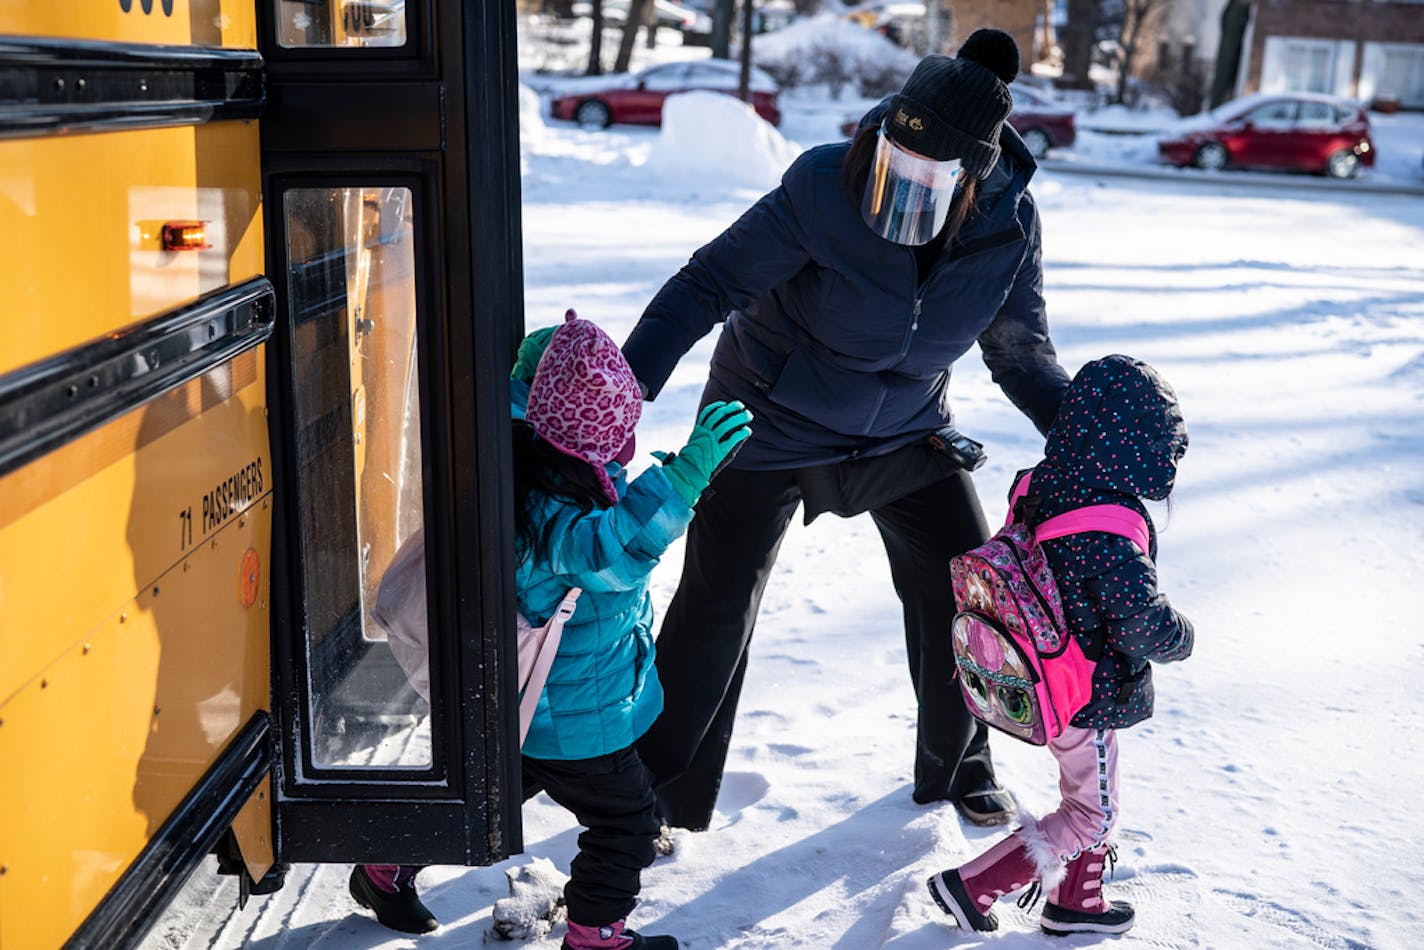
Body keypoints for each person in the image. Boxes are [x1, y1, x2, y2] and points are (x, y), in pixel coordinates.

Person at [620, 28, 1070, 832]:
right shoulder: (826, 184)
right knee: (716, 607)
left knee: (966, 586)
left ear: (976, 171)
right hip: (767, 414)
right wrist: (624, 391)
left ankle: (960, 760)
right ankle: (655, 796)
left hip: (904, 426)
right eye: (897, 157)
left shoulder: (1008, 228)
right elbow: (708, 283)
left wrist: (1080, 443)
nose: (901, 183)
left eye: (929, 176)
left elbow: (1020, 352)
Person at [351, 314, 753, 949]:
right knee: (625, 825)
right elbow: (613, 552)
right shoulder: (567, 522)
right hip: (577, 712)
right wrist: (684, 478)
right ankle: (595, 937)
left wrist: (529, 373)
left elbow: (539, 410)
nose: (626, 451)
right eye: (620, 438)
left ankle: (384, 867)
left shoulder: (524, 454)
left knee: (494, 790)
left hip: (530, 705)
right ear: (595, 443)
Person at [926, 354, 1194, 937]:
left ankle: (1078, 903)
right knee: (1091, 814)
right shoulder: (1108, 525)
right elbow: (1139, 623)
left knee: (1092, 797)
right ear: (1141, 446)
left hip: (1044, 673)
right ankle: (973, 886)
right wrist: (1180, 636)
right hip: (1084, 691)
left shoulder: (1044, 485)